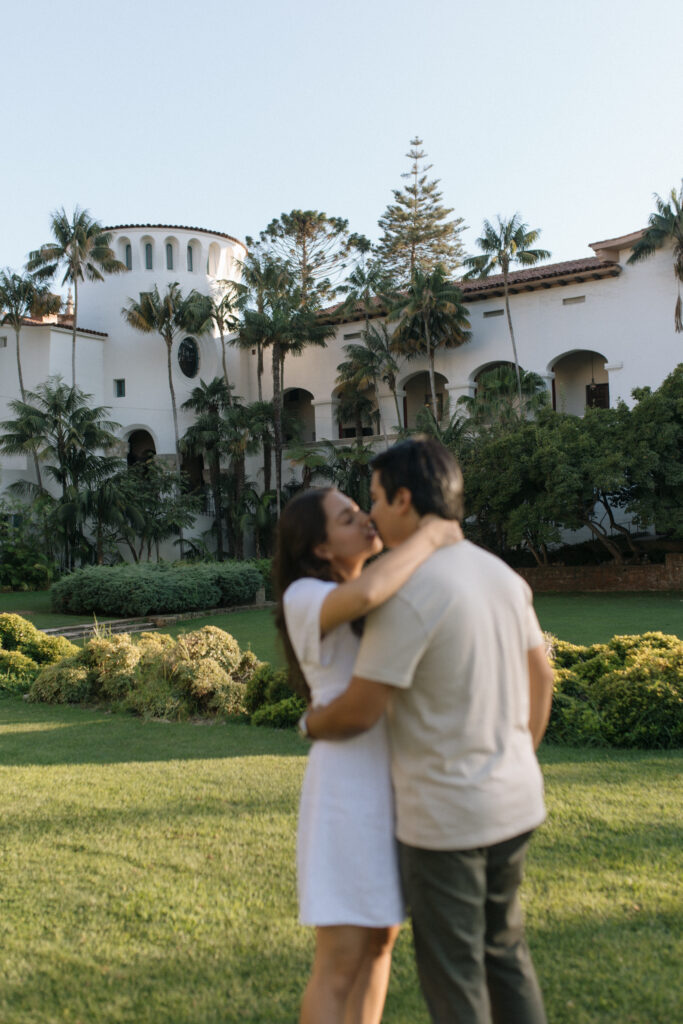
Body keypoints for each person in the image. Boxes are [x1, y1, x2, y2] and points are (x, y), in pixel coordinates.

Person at [303, 438, 555, 1024]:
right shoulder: (501, 575)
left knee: (456, 976)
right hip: (516, 801)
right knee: (506, 952)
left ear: (404, 500)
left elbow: (362, 709)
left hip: (449, 822)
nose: (369, 515)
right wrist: (516, 758)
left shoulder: (408, 593)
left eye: (374, 500)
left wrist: (310, 720)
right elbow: (540, 679)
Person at [274, 486, 462, 1024]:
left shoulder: (379, 594)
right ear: (320, 548)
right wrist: (429, 533)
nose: (366, 522)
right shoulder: (306, 595)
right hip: (347, 791)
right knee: (340, 958)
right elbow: (362, 596)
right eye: (348, 518)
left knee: (381, 940)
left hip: (394, 784)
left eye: (363, 511)